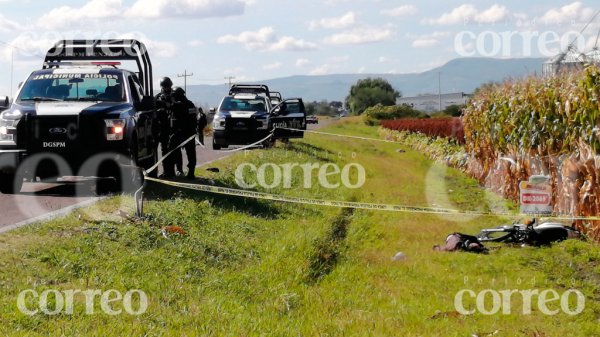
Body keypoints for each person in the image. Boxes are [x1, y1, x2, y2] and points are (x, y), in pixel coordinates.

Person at [169, 87, 198, 179]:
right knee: (191, 153)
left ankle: (178, 170)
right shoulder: (190, 104)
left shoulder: (177, 105)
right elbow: (194, 118)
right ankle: (191, 173)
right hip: (190, 132)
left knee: (175, 152)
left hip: (180, 133)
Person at [155, 77, 176, 177]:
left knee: (172, 150)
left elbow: (175, 107)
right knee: (164, 150)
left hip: (172, 128)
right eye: (164, 87)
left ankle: (171, 171)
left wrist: (168, 105)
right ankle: (165, 171)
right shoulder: (158, 97)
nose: (166, 89)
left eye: (168, 87)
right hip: (161, 127)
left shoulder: (174, 96)